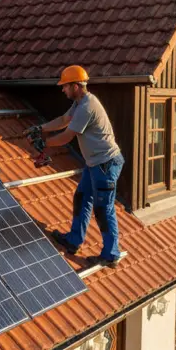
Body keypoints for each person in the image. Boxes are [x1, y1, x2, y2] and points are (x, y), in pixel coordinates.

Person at [39, 65, 125, 268]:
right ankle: (74, 239)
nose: (63, 90)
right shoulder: (79, 103)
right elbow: (63, 120)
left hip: (106, 165)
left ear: (76, 86)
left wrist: (45, 143)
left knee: (103, 209)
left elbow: (68, 135)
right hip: (94, 164)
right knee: (82, 198)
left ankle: (111, 254)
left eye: (65, 86)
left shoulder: (87, 107)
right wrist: (40, 128)